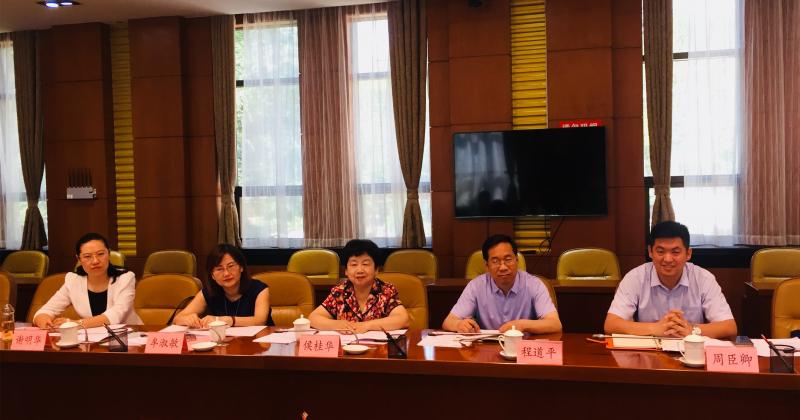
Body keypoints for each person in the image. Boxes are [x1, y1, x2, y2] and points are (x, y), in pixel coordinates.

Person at [604, 221, 737, 338]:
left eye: (675, 252)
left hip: (691, 351)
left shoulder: (703, 279)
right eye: (660, 251)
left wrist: (691, 329)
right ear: (650, 252)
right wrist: (655, 328)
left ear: (688, 253)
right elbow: (611, 324)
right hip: (648, 353)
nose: (667, 259)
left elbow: (729, 327)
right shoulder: (635, 278)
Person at [442, 234, 561, 334]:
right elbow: (448, 321)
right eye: (495, 261)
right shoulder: (476, 286)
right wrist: (459, 325)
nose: (503, 267)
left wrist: (521, 325)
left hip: (522, 348)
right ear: (487, 266)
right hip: (486, 350)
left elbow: (555, 324)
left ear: (517, 260)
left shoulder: (534, 285)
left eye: (508, 259)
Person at [33, 233, 142, 328]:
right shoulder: (73, 280)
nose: (95, 261)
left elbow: (116, 314)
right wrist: (45, 321)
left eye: (100, 254)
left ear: (108, 254)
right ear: (79, 259)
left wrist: (76, 324)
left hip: (129, 337)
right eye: (87, 256)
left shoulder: (125, 278)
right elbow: (46, 310)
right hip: (91, 339)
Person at [308, 239, 409, 333]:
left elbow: (402, 319)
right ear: (346, 271)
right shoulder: (339, 292)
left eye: (365, 264)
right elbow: (313, 318)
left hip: (379, 346)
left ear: (376, 270)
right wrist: (337, 324)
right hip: (347, 346)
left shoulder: (386, 291)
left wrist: (367, 326)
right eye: (354, 264)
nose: (360, 270)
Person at [173, 244, 270, 328]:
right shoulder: (209, 292)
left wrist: (228, 320)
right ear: (212, 275)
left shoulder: (259, 289)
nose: (226, 273)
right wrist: (187, 319)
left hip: (258, 341)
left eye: (231, 266)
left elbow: (260, 321)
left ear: (241, 267)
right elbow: (177, 319)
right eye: (219, 269)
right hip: (221, 342)